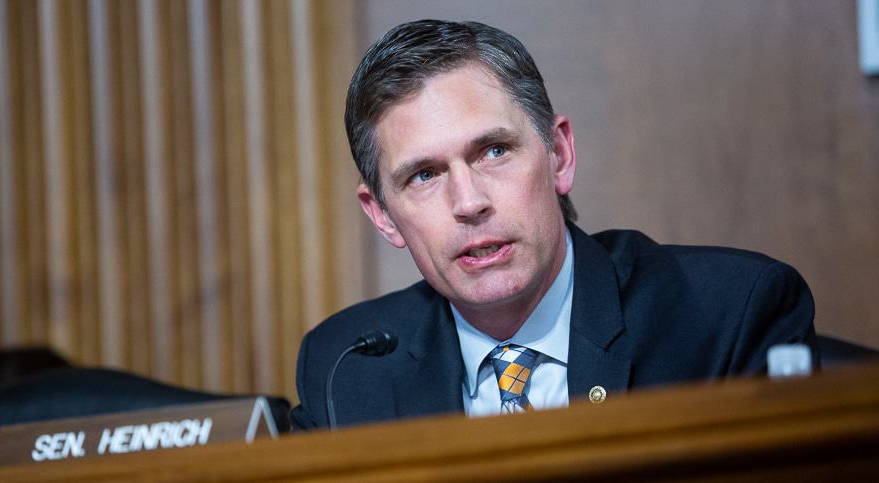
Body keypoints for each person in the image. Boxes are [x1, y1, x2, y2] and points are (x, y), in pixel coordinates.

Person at [290, 19, 817, 429]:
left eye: (494, 151)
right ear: (383, 214)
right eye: (425, 175)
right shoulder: (346, 368)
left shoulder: (728, 313)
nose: (469, 202)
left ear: (559, 154)